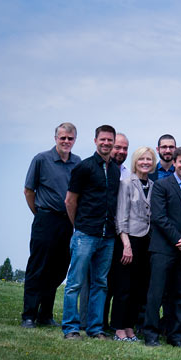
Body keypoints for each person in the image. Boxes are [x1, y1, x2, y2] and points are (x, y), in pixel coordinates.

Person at [61, 124, 120, 340]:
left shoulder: (115, 170)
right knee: (75, 282)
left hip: (108, 236)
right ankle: (70, 328)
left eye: (109, 140)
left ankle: (95, 329)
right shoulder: (84, 167)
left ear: (113, 142)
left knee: (100, 284)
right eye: (102, 139)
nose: (106, 143)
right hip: (85, 233)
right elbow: (70, 201)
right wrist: (78, 226)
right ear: (95, 141)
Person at [142, 147, 181, 347]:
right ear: (175, 163)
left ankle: (175, 335)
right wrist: (180, 241)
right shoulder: (161, 185)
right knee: (156, 293)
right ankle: (150, 334)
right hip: (163, 249)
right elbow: (159, 217)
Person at [22, 122, 81, 328]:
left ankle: (45, 314)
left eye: (70, 138)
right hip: (45, 219)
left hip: (68, 222)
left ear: (75, 140)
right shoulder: (41, 159)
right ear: (55, 138)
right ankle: (29, 315)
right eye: (62, 137)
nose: (66, 141)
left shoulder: (77, 163)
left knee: (58, 269)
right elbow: (29, 191)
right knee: (38, 268)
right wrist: (39, 214)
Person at [111, 145, 155, 342]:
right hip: (128, 241)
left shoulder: (154, 185)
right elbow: (120, 216)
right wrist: (126, 245)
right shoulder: (127, 183)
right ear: (135, 162)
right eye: (141, 159)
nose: (145, 162)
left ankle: (129, 327)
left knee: (138, 288)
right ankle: (119, 328)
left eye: (148, 159)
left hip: (147, 242)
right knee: (124, 287)